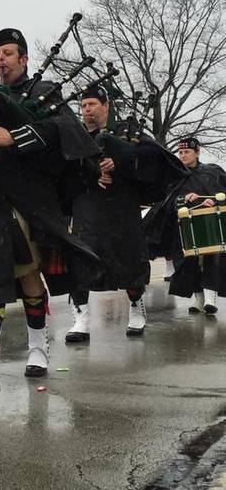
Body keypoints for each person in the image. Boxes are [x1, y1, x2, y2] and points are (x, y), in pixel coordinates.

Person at [0, 28, 102, 385]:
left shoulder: (44, 93)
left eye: (8, 53)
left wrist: (14, 138)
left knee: (30, 274)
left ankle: (37, 349)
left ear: (24, 59)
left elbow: (63, 133)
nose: (1, 59)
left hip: (30, 199)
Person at [64, 87, 152, 340]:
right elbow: (63, 170)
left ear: (106, 106)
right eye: (83, 106)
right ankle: (81, 318)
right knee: (83, 257)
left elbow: (148, 158)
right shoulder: (76, 137)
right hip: (88, 206)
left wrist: (121, 162)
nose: (87, 110)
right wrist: (90, 172)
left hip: (122, 206)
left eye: (92, 104)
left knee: (129, 257)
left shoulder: (129, 132)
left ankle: (136, 308)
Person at [144, 136, 226, 315]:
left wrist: (212, 201)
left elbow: (223, 194)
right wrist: (184, 199)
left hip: (209, 225)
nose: (182, 155)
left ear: (197, 152)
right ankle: (199, 300)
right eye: (180, 152)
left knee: (213, 259)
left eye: (186, 152)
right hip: (183, 228)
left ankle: (210, 301)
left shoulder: (212, 172)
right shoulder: (174, 175)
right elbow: (168, 201)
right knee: (187, 264)